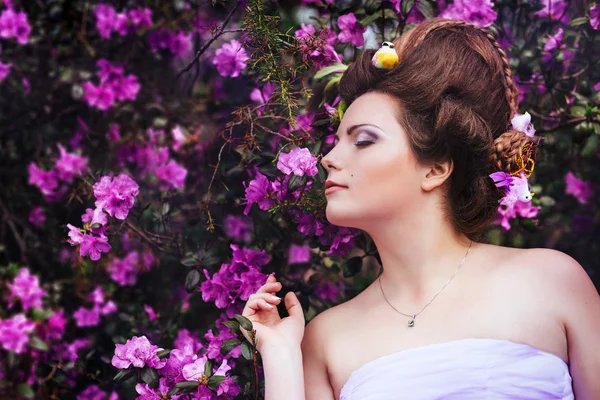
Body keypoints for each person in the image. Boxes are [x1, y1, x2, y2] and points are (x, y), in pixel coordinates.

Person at [241, 17, 600, 400]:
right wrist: (279, 356)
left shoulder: (549, 281)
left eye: (363, 140)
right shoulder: (326, 339)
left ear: (436, 168)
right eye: (336, 141)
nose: (328, 158)